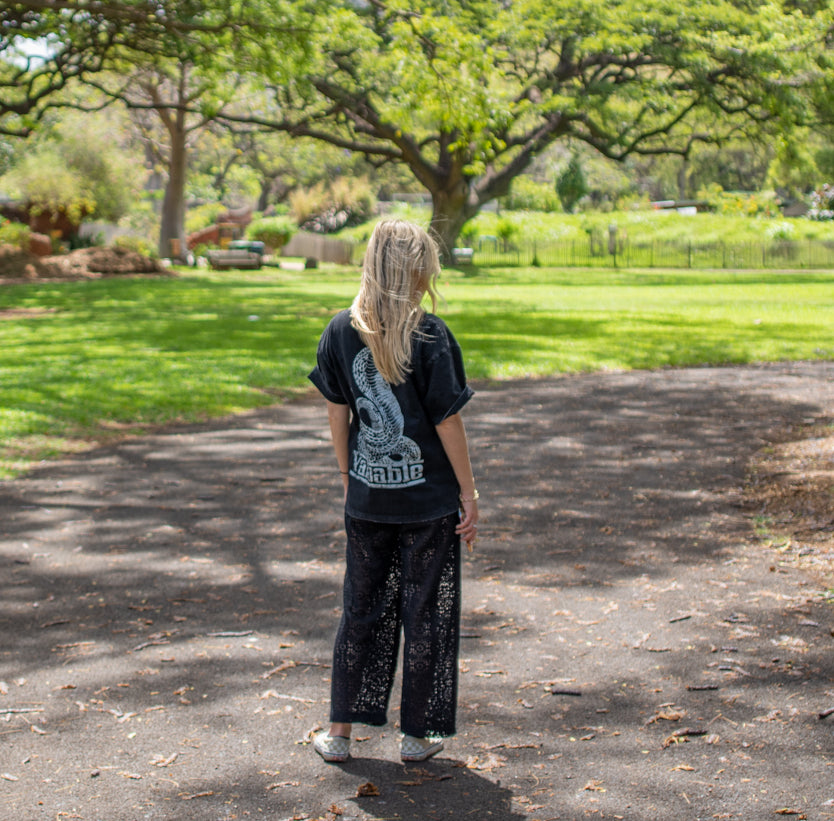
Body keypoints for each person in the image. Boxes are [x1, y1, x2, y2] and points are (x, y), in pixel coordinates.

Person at [308, 219, 479, 764]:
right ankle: (417, 736)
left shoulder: (339, 330)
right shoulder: (431, 335)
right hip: (428, 504)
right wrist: (469, 494)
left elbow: (337, 413)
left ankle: (339, 733)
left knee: (360, 608)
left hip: (367, 502)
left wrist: (346, 474)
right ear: (418, 270)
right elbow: (448, 422)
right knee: (425, 612)